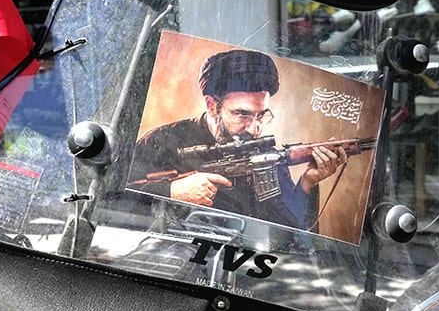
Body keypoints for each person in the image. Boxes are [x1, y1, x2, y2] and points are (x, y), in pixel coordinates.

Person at [128, 48, 347, 231]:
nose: (254, 128)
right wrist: (171, 192)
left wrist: (308, 182)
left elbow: (293, 234)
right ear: (211, 105)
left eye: (261, 115)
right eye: (242, 114)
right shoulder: (162, 140)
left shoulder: (264, 155)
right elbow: (117, 200)